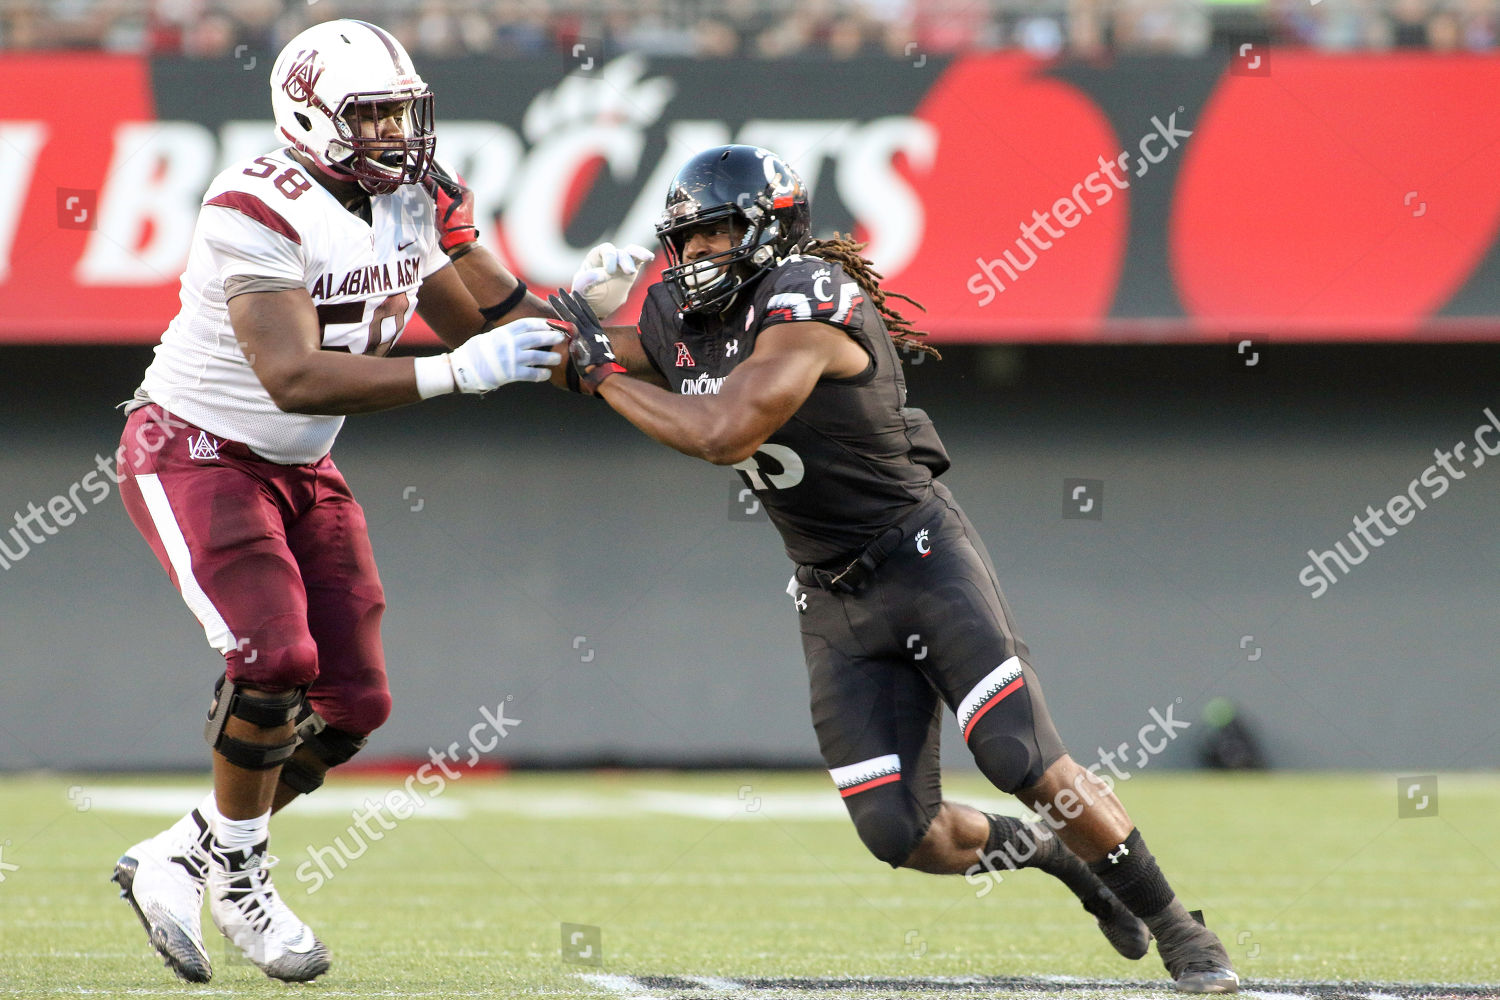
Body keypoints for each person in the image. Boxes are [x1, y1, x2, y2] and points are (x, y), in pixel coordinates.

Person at [547, 144, 1239, 994]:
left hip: (919, 558)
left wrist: (600, 363)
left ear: (770, 228)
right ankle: (1058, 859)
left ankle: (1177, 925)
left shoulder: (808, 298)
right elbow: (540, 350)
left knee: (1019, 756)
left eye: (716, 235)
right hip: (831, 596)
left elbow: (723, 431)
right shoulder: (682, 322)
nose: (694, 258)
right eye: (684, 241)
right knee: (897, 834)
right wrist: (564, 310)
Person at [109, 19, 649, 984]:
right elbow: (292, 376)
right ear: (308, 116)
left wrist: (582, 311)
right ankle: (239, 876)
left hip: (303, 468)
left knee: (353, 702)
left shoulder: (412, 195)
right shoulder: (253, 203)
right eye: (373, 114)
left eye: (404, 109)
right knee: (274, 658)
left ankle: (183, 854)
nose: (398, 132)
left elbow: (490, 319)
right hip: (197, 452)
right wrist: (454, 376)